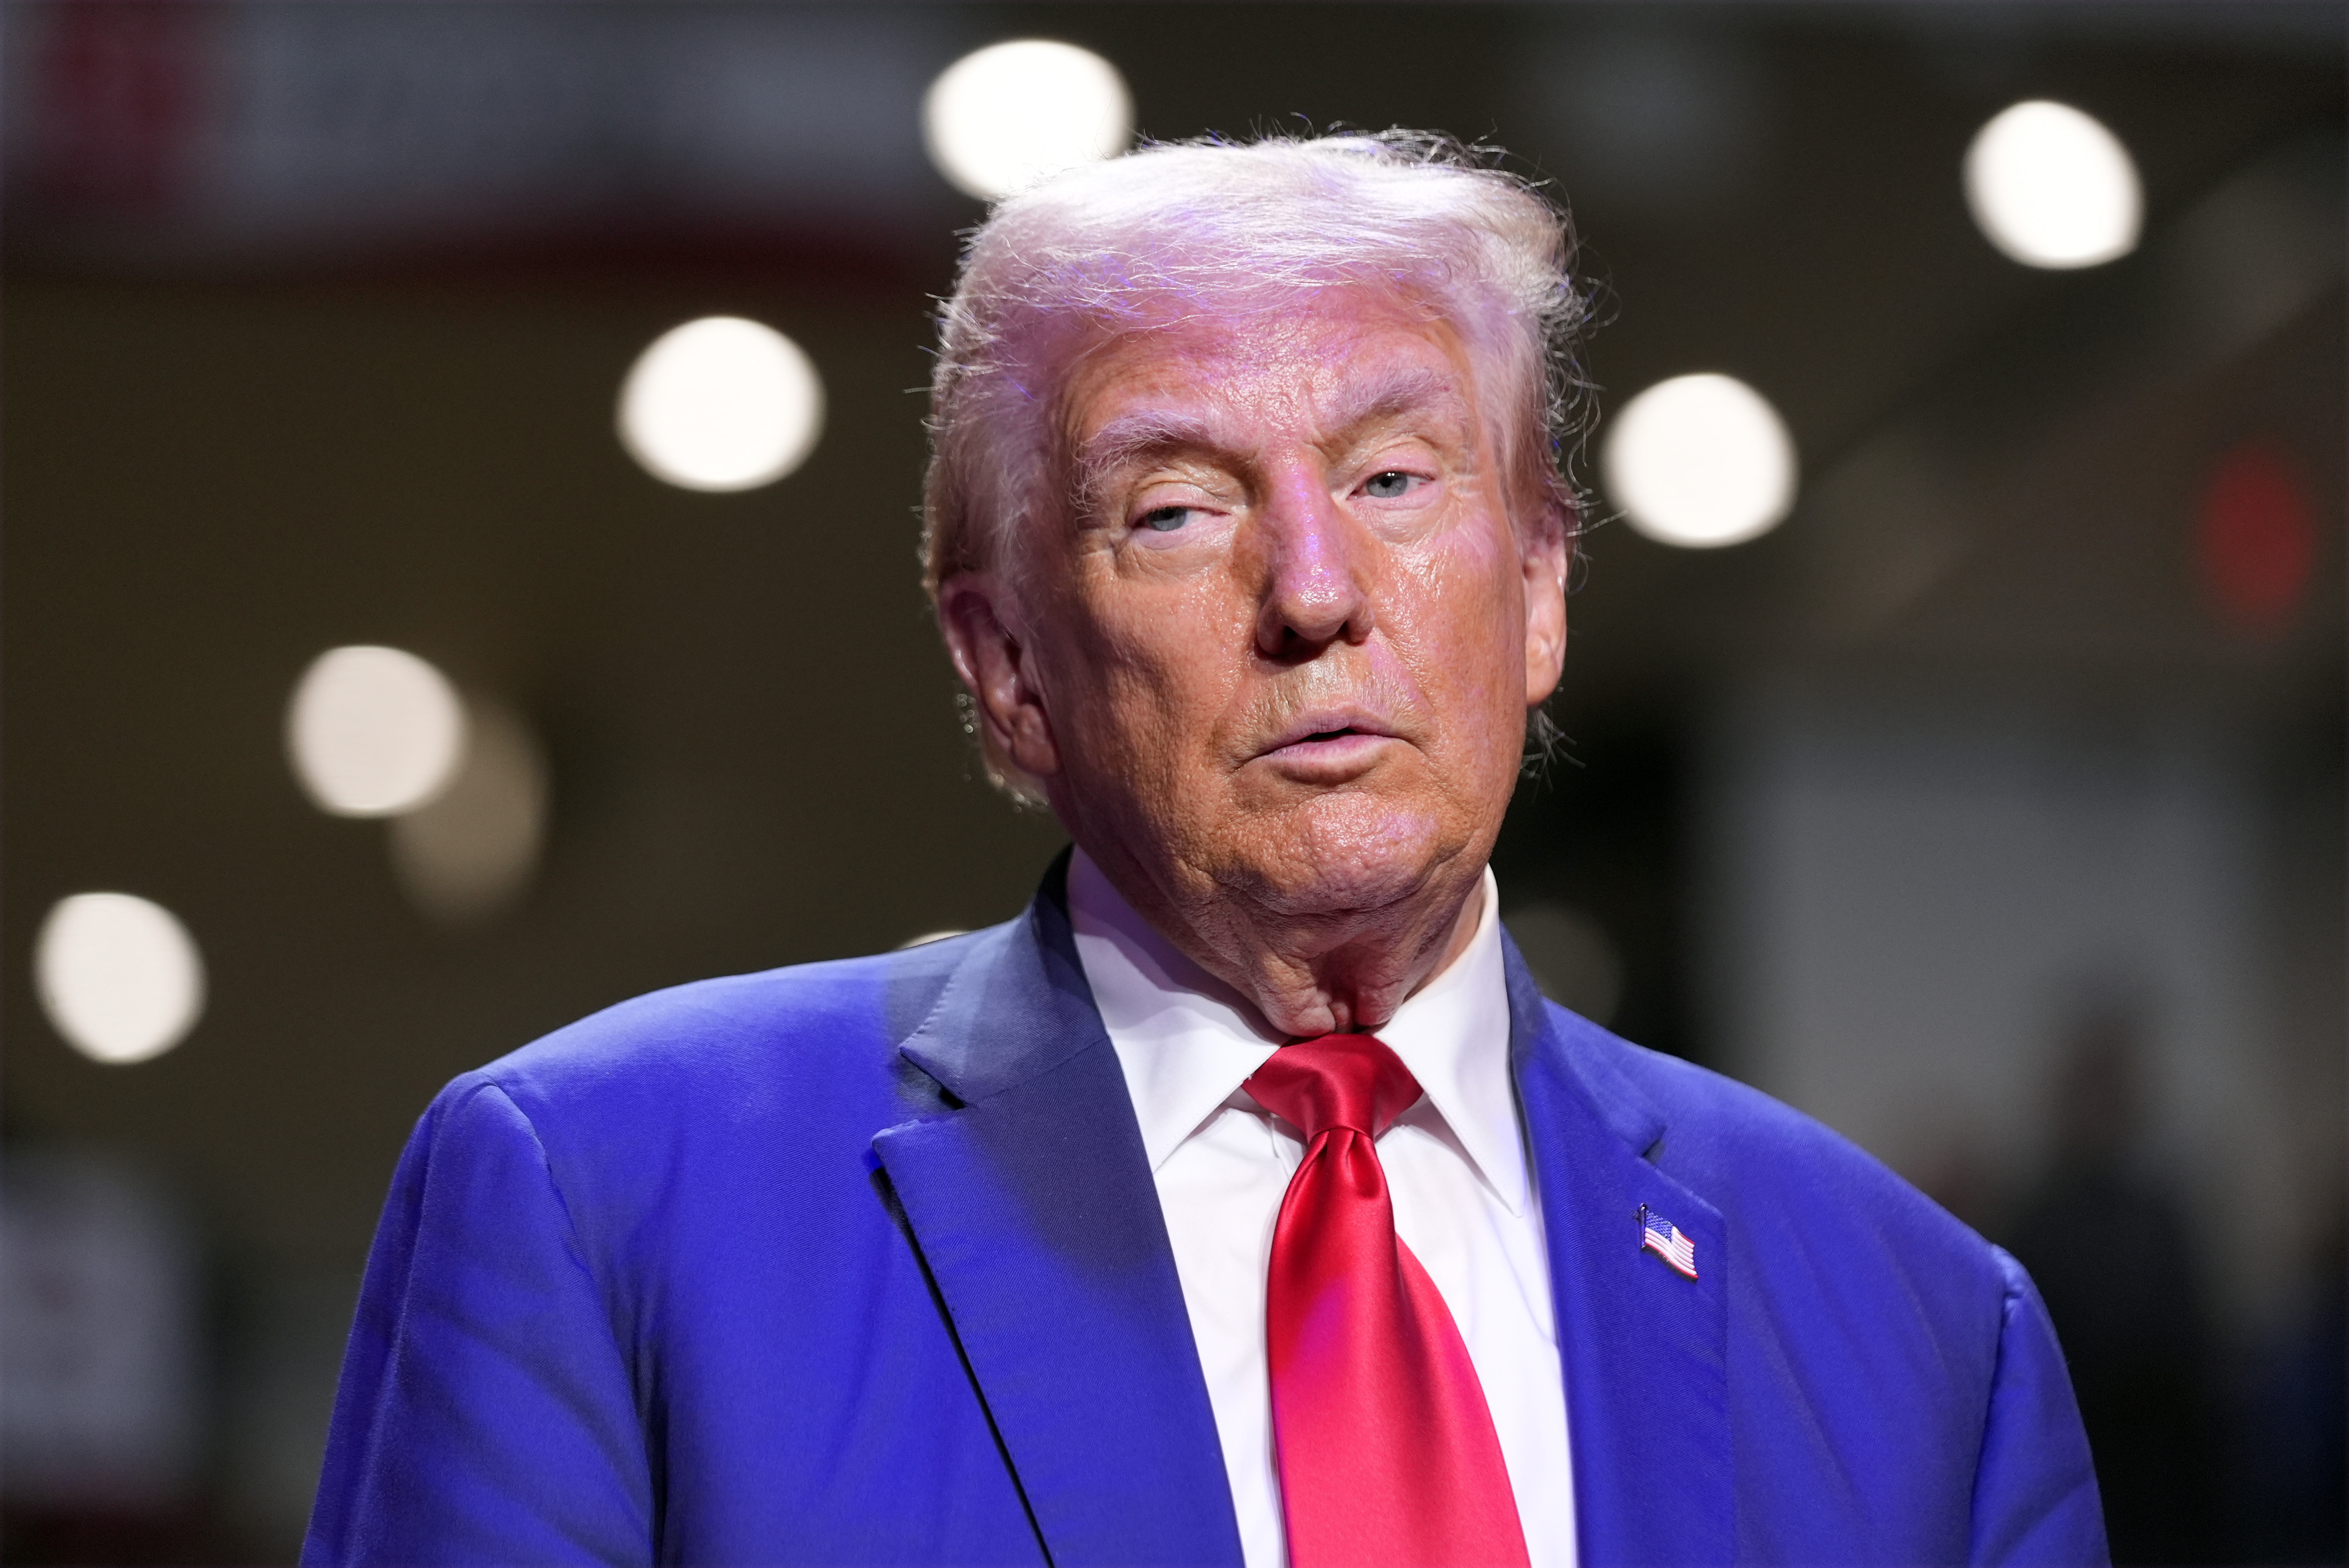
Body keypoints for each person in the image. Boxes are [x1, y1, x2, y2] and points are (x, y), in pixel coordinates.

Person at [304, 134, 2105, 1568]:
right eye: (1176, 510)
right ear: (1009, 667)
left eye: (1397, 477)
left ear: (1542, 586)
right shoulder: (608, 1206)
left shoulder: (1927, 1340)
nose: (1317, 592)